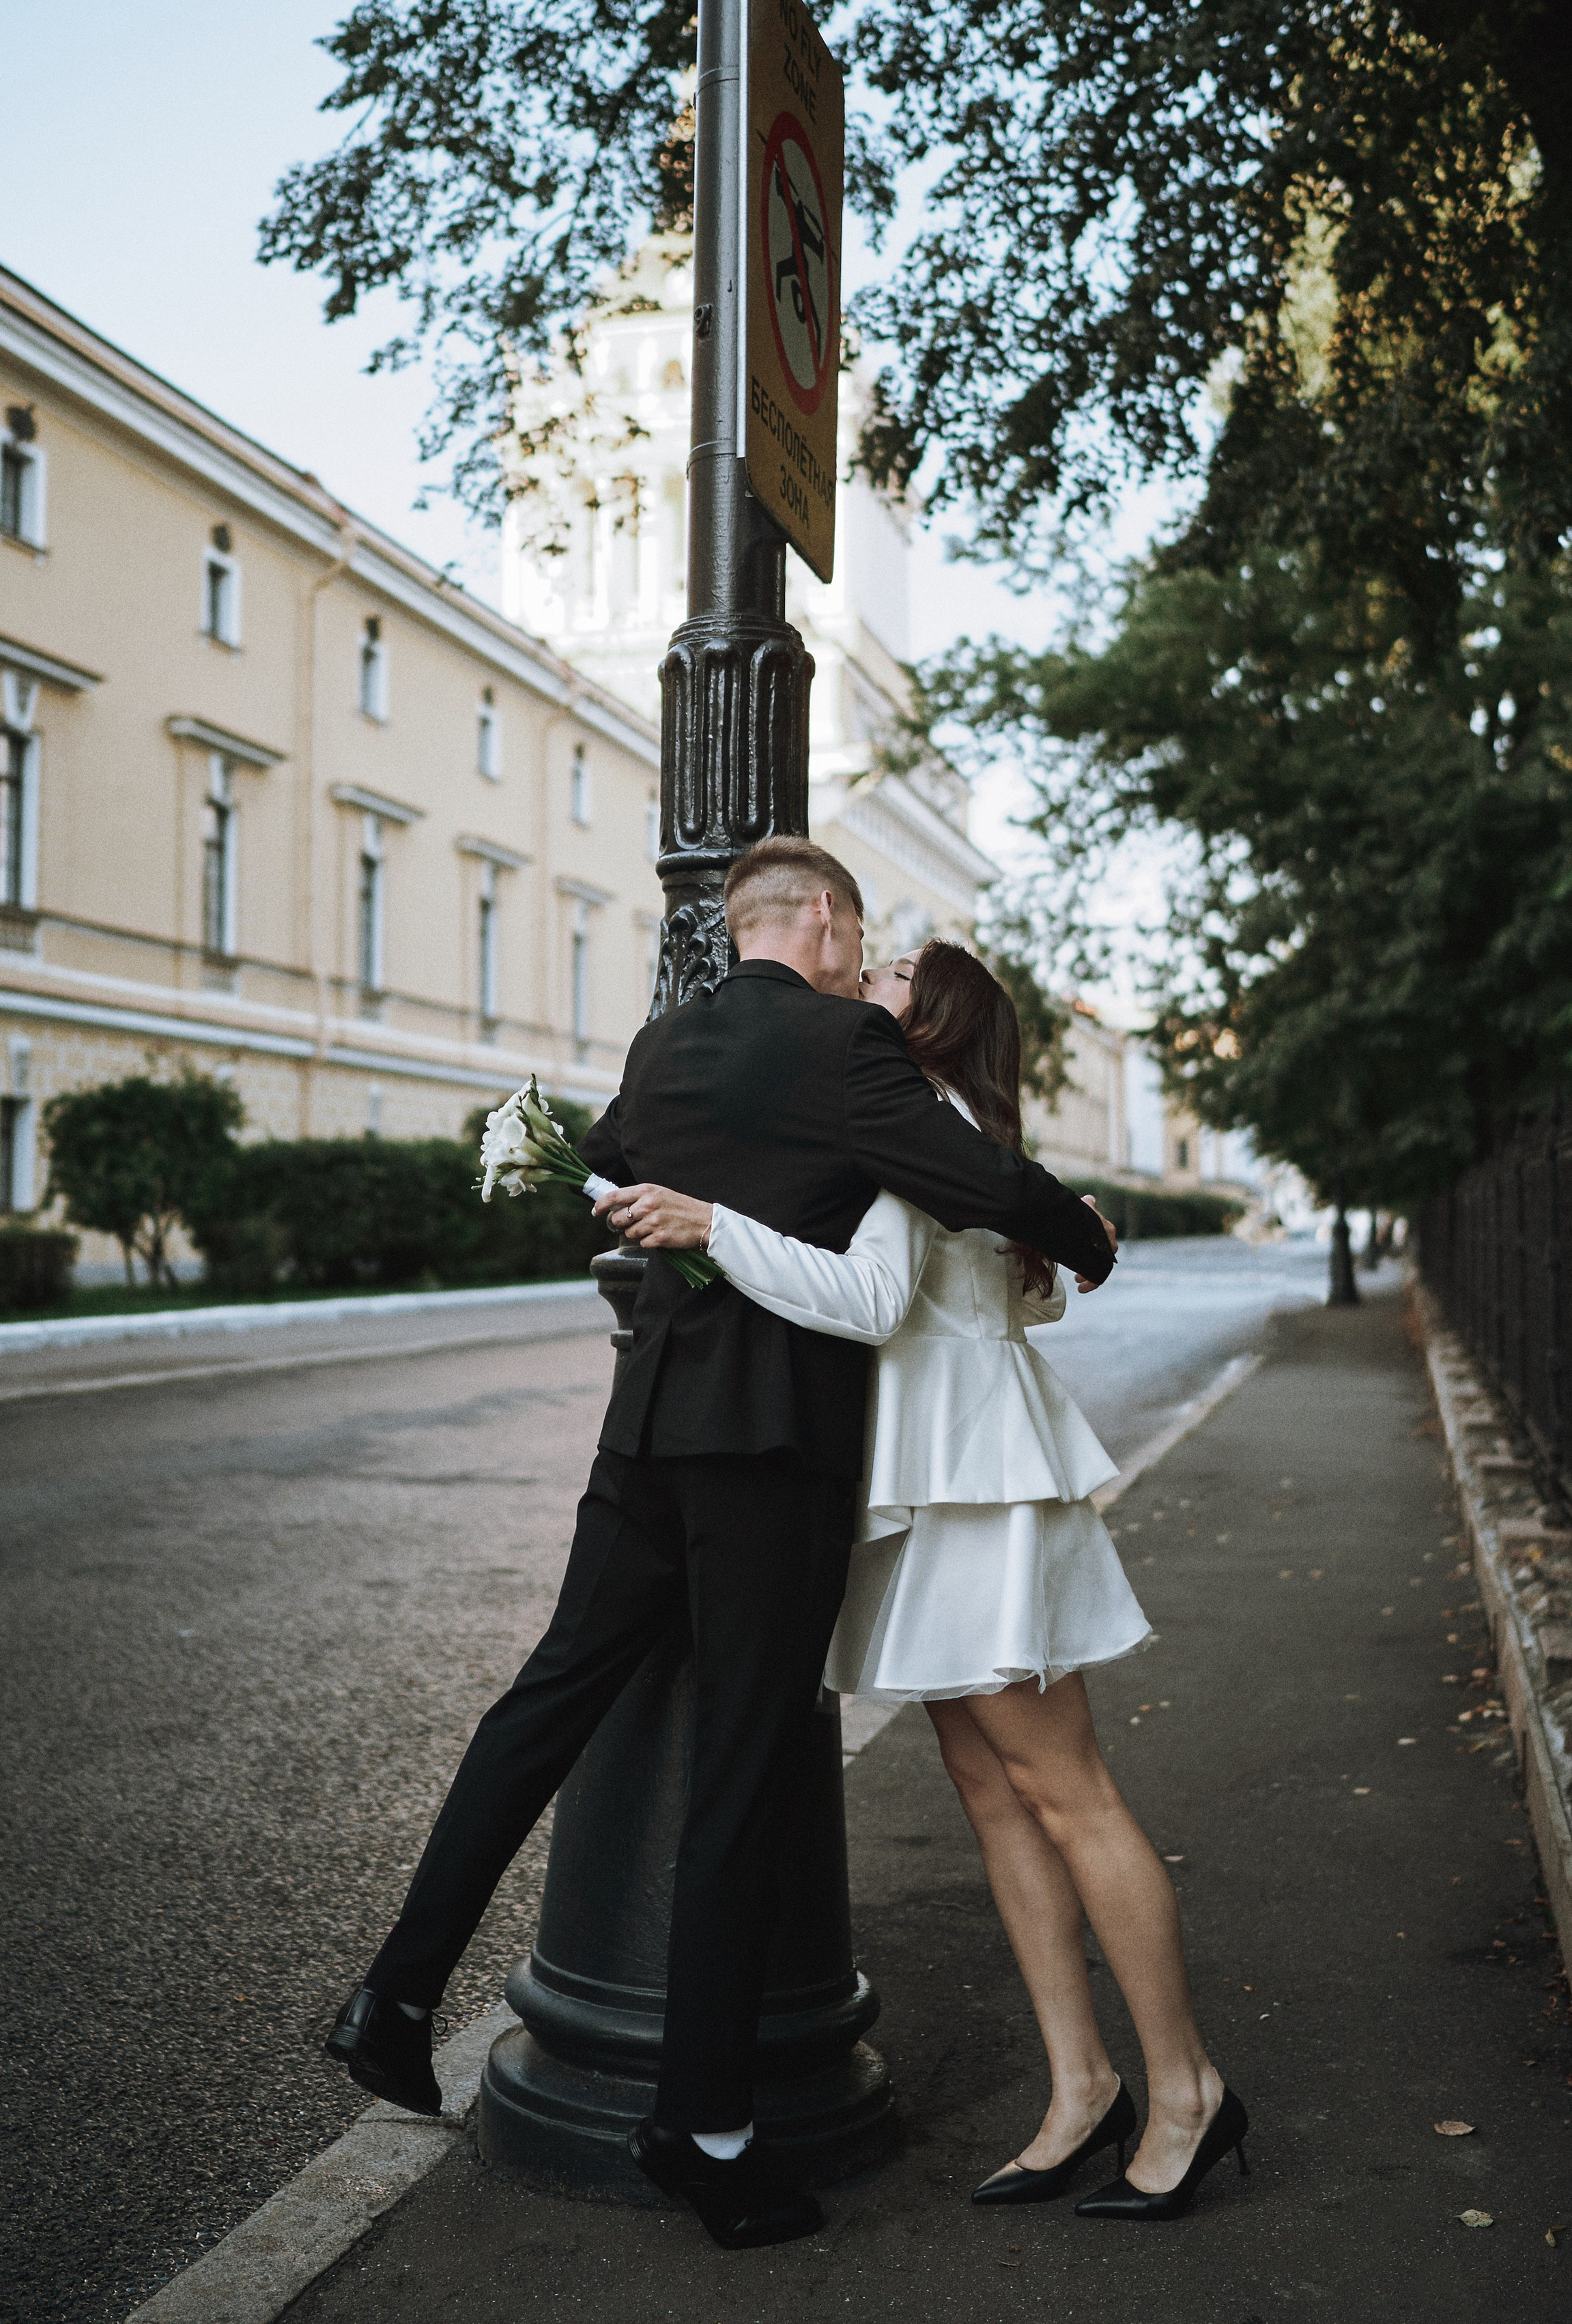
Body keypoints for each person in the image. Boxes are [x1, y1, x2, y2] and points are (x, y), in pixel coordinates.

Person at [324, 840, 1117, 2250]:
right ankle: (704, 2126)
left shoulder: (667, 1039)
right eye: (853, 928)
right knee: (741, 1778)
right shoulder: (849, 1054)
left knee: (545, 1698)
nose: (856, 953)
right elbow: (983, 1185)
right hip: (768, 1463)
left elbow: (614, 1167)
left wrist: (692, 1225)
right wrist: (1090, 1240)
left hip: (643, 1440)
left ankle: (394, 1991)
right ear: (817, 921)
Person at [610, 938, 1248, 2223]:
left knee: (1065, 1792)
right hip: (938, 1477)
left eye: (891, 970)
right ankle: (1081, 2090)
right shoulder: (922, 1119)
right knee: (992, 1794)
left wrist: (710, 1223)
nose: (859, 978)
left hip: (976, 1485)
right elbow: (1030, 1294)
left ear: (934, 1011)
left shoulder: (909, 1119)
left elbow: (867, 1299)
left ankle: (1187, 2092)